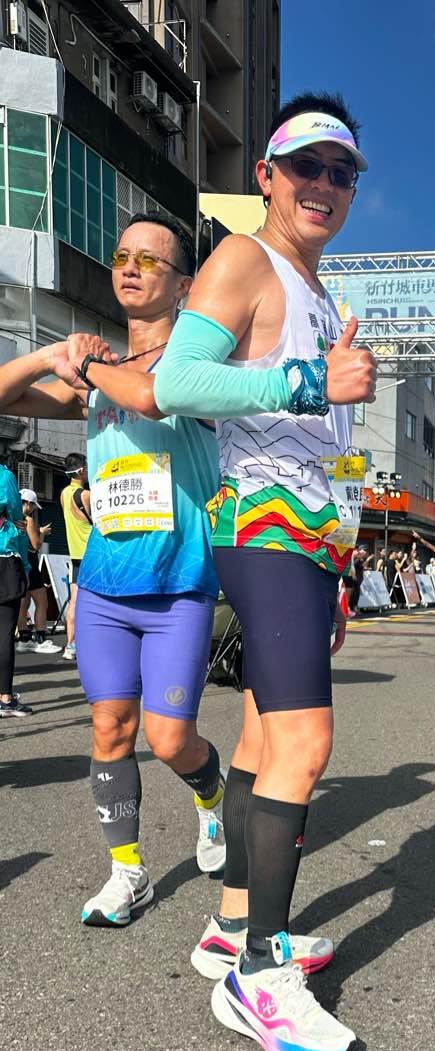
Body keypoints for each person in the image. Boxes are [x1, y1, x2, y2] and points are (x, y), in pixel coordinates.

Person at [153, 91, 377, 1051]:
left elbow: (328, 448)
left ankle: (233, 923)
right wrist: (305, 381)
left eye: (342, 171)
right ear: (267, 177)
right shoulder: (244, 258)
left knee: (257, 738)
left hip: (309, 537)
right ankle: (259, 976)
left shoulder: (319, 291)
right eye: (307, 166)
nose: (324, 184)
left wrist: (347, 547)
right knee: (305, 741)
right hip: (262, 522)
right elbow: (176, 382)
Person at [0, 213, 242, 925]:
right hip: (105, 587)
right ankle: (128, 873)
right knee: (110, 730)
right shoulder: (96, 375)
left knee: (169, 739)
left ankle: (212, 795)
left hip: (178, 587)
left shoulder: (195, 368)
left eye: (151, 260)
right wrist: (52, 355)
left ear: (185, 285)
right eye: (122, 256)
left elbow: (150, 394)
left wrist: (89, 368)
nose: (131, 268)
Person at [0, 463, 32, 717]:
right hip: (4, 560)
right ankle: (5, 698)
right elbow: (16, 515)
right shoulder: (4, 476)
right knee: (3, 633)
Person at [16, 488, 59, 654]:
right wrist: (41, 533)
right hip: (31, 563)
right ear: (28, 503)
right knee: (42, 602)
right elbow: (35, 545)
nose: (34, 509)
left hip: (17, 563)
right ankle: (41, 638)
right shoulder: (28, 520)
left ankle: (24, 638)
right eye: (33, 505)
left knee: (23, 603)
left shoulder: (12, 518)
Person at [60, 453, 92, 660]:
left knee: (74, 601)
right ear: (81, 471)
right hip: (91, 554)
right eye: (86, 468)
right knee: (95, 601)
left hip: (75, 555)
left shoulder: (64, 494)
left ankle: (70, 645)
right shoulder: (86, 495)